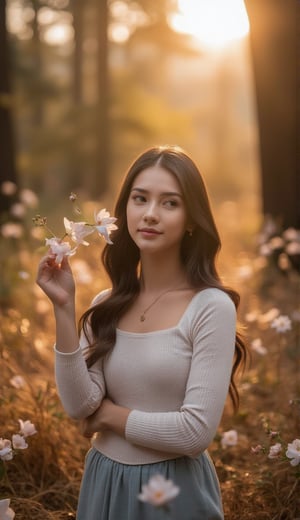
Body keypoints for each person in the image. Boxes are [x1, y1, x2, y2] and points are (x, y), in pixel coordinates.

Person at [36, 145, 247, 520]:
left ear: (192, 219)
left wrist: (108, 417)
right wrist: (65, 308)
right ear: (125, 210)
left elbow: (194, 433)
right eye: (140, 199)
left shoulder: (211, 307)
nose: (150, 214)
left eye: (170, 203)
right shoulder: (107, 304)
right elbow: (79, 405)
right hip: (104, 482)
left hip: (172, 492)